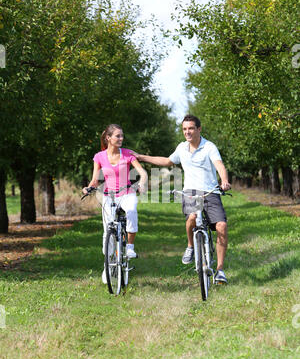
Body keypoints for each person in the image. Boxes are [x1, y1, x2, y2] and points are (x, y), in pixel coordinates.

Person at [132, 114, 231, 284]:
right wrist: (142, 157)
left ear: (199, 129)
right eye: (185, 129)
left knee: (221, 226)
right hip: (190, 192)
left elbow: (219, 165)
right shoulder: (182, 148)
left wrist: (224, 180)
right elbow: (167, 161)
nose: (187, 132)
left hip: (210, 192)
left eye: (191, 128)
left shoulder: (209, 147)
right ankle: (190, 246)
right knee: (192, 218)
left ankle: (220, 270)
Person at [83, 123, 147, 283]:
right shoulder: (99, 157)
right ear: (108, 138)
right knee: (108, 233)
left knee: (131, 210)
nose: (121, 138)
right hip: (108, 196)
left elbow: (142, 172)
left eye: (122, 136)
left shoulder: (127, 154)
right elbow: (95, 180)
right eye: (117, 136)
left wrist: (142, 183)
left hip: (127, 193)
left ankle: (130, 247)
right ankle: (108, 266)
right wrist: (88, 188)